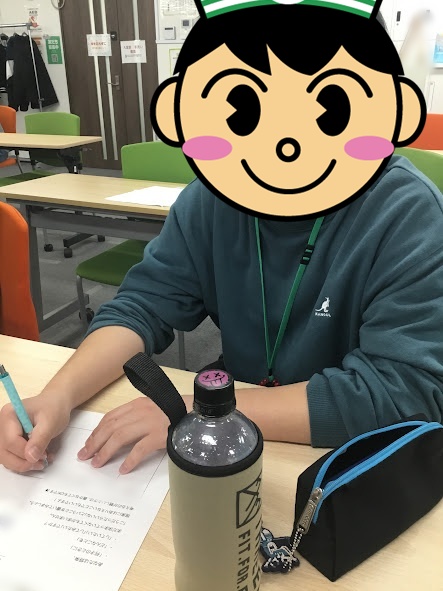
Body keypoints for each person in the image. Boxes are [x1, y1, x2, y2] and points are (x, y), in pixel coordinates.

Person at [1, 2, 442, 477]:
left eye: (329, 109)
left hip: (347, 455)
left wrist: (201, 409)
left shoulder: (406, 212)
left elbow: (403, 392)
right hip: (236, 427)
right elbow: (142, 306)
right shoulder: (213, 198)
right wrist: (59, 394)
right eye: (245, 110)